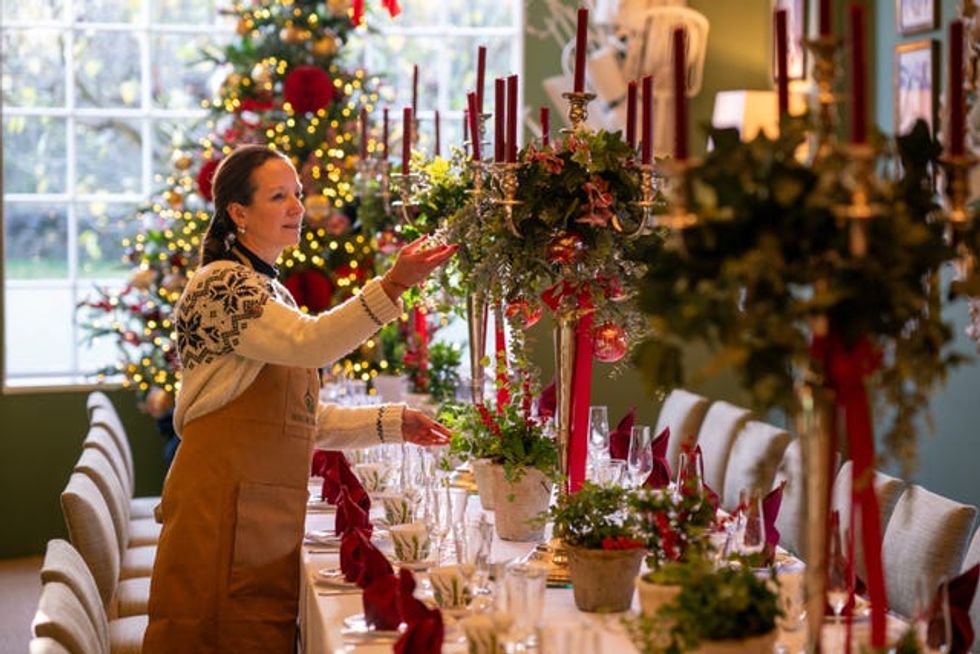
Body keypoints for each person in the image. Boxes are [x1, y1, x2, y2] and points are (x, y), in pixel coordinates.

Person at [143, 144, 456, 653]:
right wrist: (393, 284)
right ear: (238, 213)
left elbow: (300, 419)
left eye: (298, 193)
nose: (297, 207)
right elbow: (312, 342)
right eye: (278, 196)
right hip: (219, 508)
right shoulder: (221, 286)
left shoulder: (272, 292)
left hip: (260, 510)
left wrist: (391, 422)